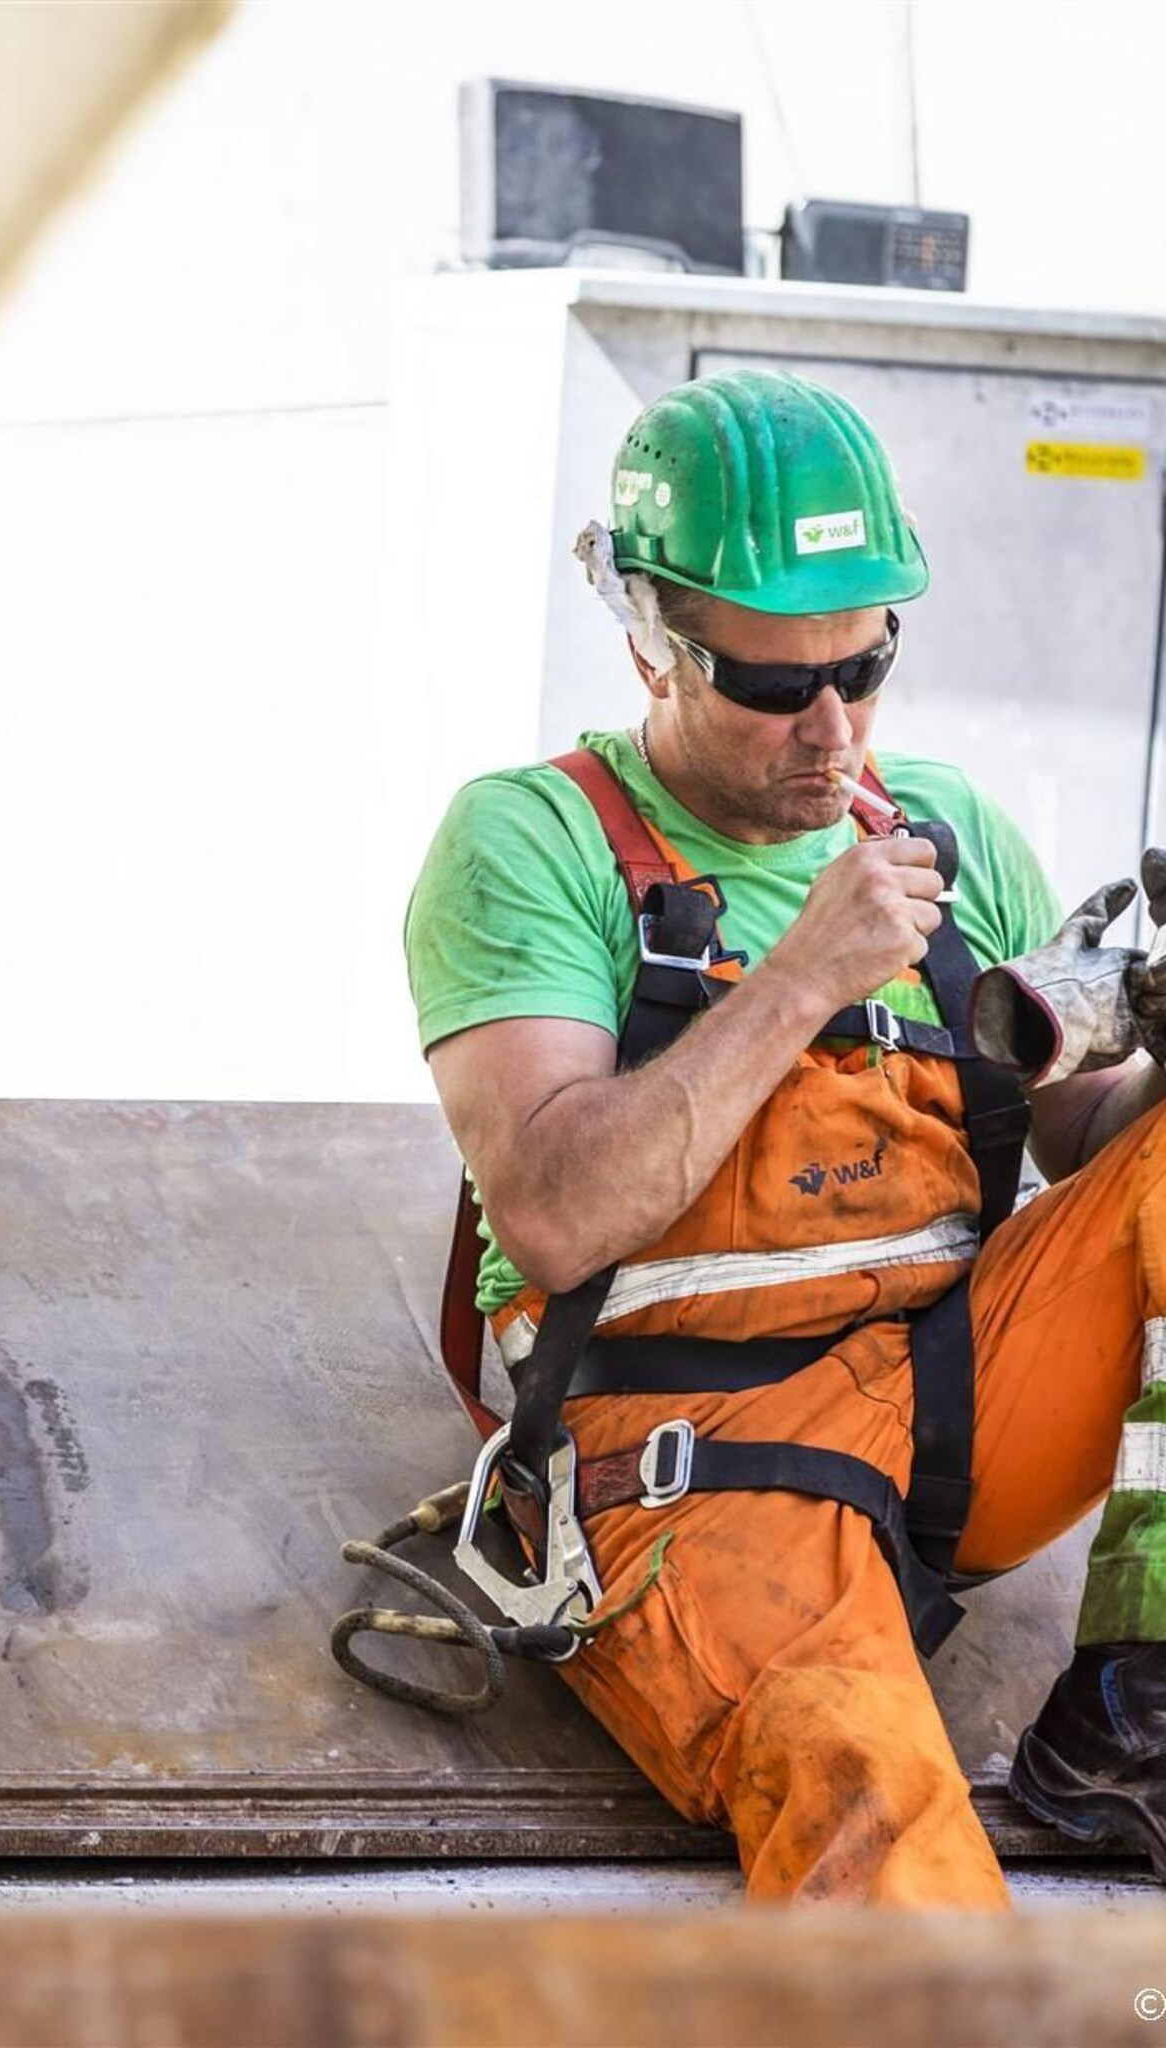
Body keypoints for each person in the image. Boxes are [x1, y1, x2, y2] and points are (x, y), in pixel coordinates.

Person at [404, 364, 1166, 1906]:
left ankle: (1138, 1714)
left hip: (949, 1405)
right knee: (878, 1826)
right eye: (769, 686)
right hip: (689, 1474)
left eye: (863, 667)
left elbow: (1094, 1152)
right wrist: (810, 969)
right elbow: (551, 1210)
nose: (828, 728)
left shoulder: (940, 827)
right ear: (651, 639)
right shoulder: (533, 843)